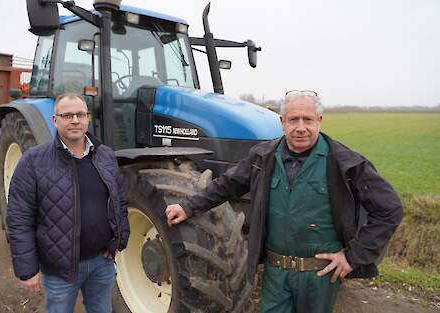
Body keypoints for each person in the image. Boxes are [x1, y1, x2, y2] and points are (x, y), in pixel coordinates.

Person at [165, 90, 403, 313]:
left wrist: (353, 256)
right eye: (293, 120)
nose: (301, 127)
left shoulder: (345, 162)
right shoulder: (263, 157)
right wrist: (188, 206)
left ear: (319, 121)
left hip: (319, 277)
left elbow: (390, 209)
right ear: (282, 122)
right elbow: (227, 184)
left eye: (307, 120)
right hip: (276, 274)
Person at [6, 93, 130, 313]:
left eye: (80, 114)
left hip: (102, 262)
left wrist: (118, 241)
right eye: (67, 115)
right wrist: (27, 268)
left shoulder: (105, 156)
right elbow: (19, 218)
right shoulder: (34, 161)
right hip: (60, 270)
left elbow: (119, 202)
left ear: (87, 118)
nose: (75, 120)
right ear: (55, 120)